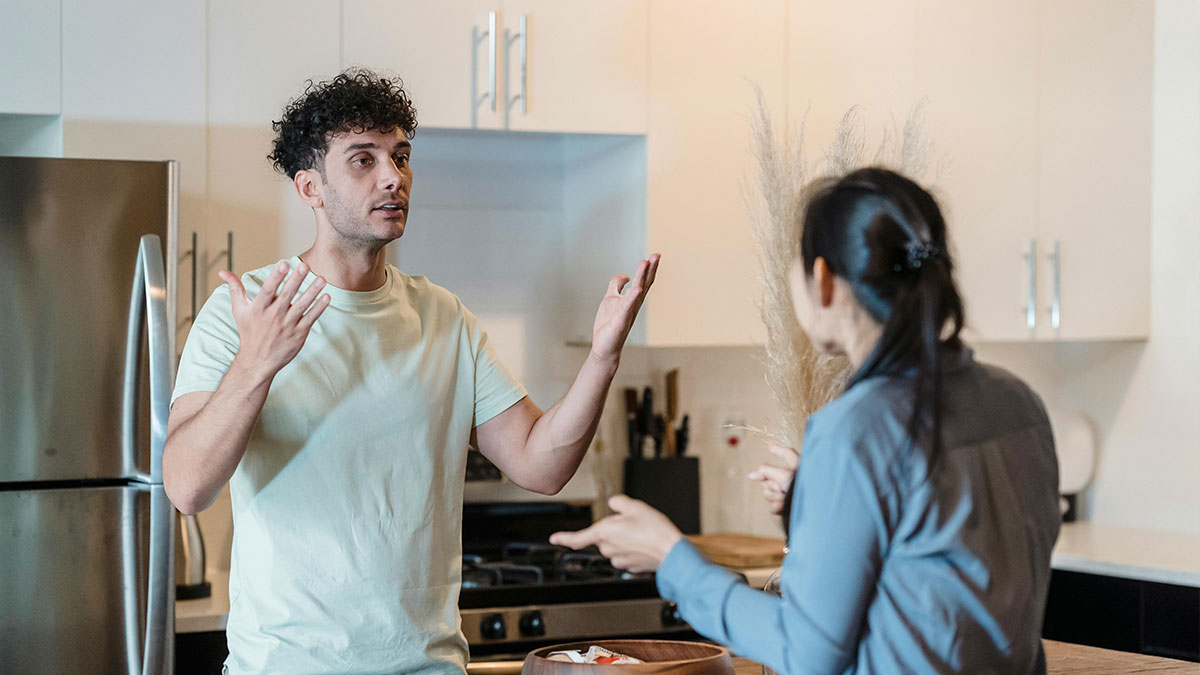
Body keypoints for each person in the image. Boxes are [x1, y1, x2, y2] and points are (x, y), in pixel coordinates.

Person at [163, 68, 660, 674]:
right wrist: (257, 364)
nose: (393, 177)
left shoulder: (442, 316)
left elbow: (542, 463)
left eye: (400, 157)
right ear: (310, 188)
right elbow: (186, 488)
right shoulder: (247, 311)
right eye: (363, 160)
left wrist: (604, 355)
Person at [552, 168, 1060, 674]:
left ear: (822, 279)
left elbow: (809, 651)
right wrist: (817, 495)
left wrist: (672, 559)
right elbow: (941, 574)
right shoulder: (1020, 402)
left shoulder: (855, 430)